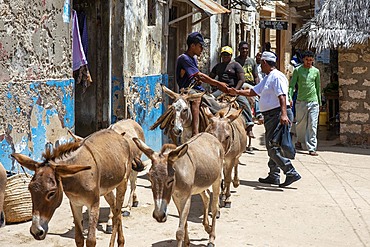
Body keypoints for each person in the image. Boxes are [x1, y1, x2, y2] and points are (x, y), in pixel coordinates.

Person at [229, 51, 301, 188]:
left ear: (265, 63)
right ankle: (274, 175)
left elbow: (282, 97)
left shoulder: (277, 77)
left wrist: (284, 115)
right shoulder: (268, 77)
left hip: (278, 114)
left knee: (272, 146)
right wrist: (236, 92)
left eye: (261, 63)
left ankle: (290, 171)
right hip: (271, 116)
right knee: (274, 145)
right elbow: (253, 92)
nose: (259, 66)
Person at [175, 31, 229, 136]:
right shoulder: (184, 58)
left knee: (215, 106)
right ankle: (195, 132)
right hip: (187, 90)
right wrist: (218, 84)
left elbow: (195, 76)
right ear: (192, 46)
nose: (202, 49)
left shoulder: (194, 58)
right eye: (200, 46)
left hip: (196, 88)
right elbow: (199, 75)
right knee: (196, 99)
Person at [209, 46, 254, 144]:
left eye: (227, 55)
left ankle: (249, 125)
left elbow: (242, 79)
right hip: (221, 90)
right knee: (209, 100)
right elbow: (211, 77)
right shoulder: (218, 66)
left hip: (234, 89)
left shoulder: (236, 65)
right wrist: (213, 85)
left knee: (244, 104)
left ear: (231, 55)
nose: (225, 57)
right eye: (223, 55)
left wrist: (236, 90)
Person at [288, 50, 321, 156]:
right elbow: (292, 85)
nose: (309, 62)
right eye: (307, 60)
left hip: (313, 101)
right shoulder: (298, 70)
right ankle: (300, 141)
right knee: (300, 124)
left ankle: (312, 147)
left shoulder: (316, 71)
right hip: (301, 101)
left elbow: (318, 87)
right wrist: (290, 97)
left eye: (311, 60)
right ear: (303, 60)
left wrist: (319, 101)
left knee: (312, 124)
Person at [234, 41, 258, 138]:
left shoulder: (252, 61)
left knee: (255, 99)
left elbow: (256, 76)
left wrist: (258, 87)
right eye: (243, 48)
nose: (245, 50)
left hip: (250, 84)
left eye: (246, 48)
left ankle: (258, 114)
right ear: (239, 49)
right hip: (239, 85)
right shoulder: (234, 61)